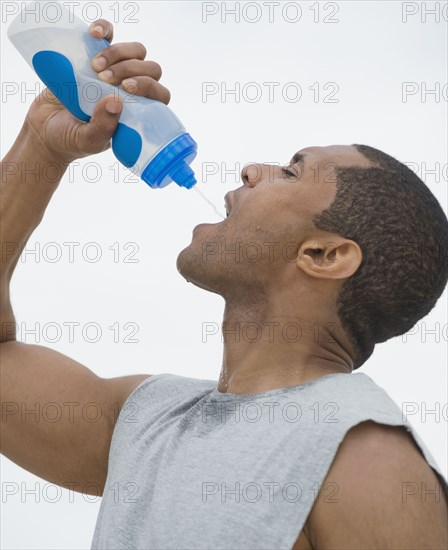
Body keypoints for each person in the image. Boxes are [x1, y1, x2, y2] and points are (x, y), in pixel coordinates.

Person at [1, 19, 447, 550]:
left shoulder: (365, 460)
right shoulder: (145, 419)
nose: (250, 169)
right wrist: (41, 146)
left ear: (324, 255)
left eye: (290, 171)